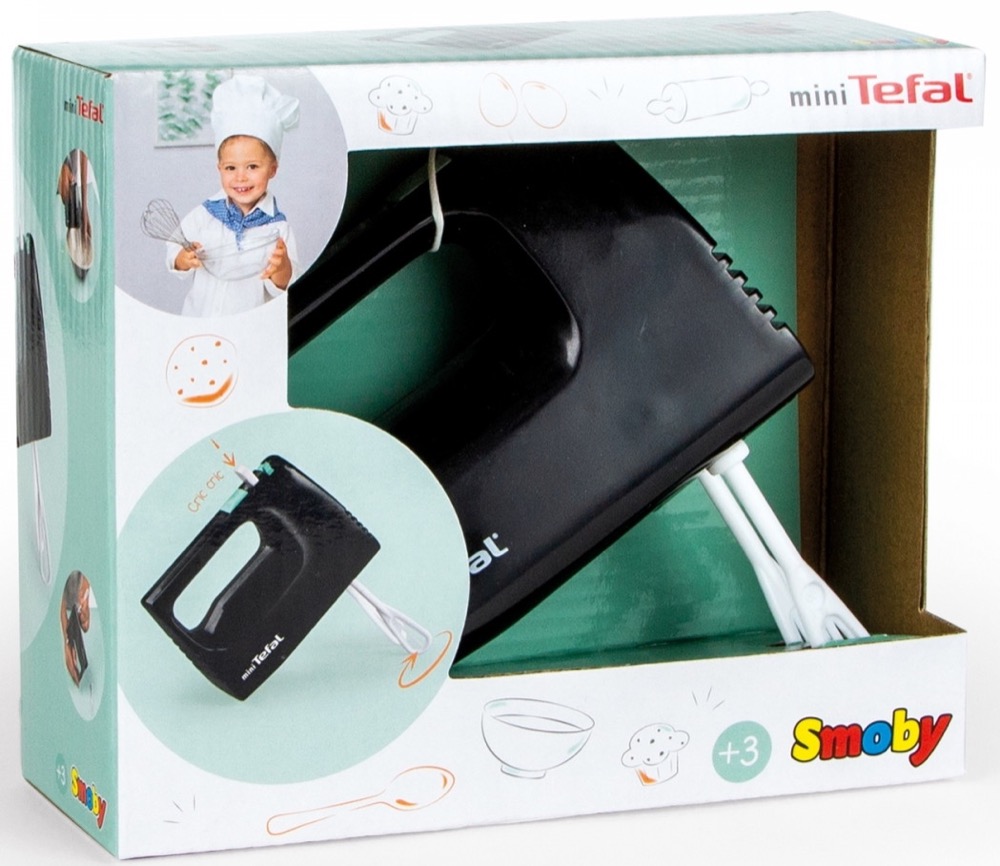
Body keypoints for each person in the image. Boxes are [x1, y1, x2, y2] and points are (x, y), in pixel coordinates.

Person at [167, 75, 300, 316]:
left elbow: (284, 286)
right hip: (199, 320)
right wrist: (182, 259)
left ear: (273, 169)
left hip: (247, 327)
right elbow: (174, 247)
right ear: (219, 168)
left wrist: (282, 268)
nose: (240, 177)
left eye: (252, 167)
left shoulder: (278, 228)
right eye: (231, 168)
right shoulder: (205, 214)